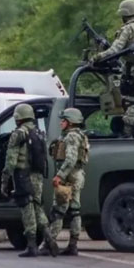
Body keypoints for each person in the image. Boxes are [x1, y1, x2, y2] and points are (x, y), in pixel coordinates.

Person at [91, 0, 134, 138]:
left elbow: (115, 49)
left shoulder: (128, 29)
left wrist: (98, 56)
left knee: (130, 102)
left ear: (125, 14)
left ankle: (127, 135)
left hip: (132, 71)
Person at [0, 104, 58, 258]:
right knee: (38, 207)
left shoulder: (18, 134)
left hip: (23, 176)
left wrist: (5, 180)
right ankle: (49, 237)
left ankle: (32, 245)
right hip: (37, 176)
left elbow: (11, 160)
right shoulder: (39, 132)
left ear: (18, 117)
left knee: (27, 209)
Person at [47, 108, 90, 256]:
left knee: (59, 210)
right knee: (74, 211)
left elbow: (70, 159)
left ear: (70, 122)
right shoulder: (79, 135)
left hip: (69, 177)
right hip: (77, 175)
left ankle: (49, 242)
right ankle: (73, 245)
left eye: (64, 120)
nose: (61, 123)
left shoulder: (71, 136)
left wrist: (59, 176)